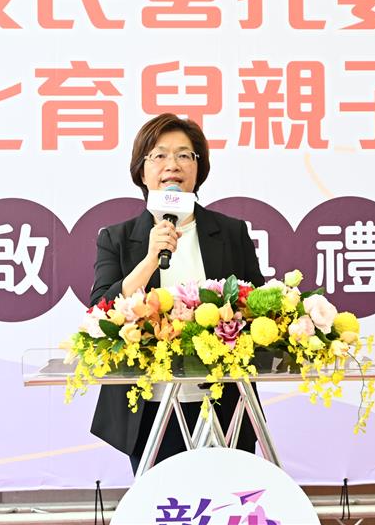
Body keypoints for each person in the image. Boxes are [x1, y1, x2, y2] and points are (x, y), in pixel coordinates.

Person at [89, 113, 265, 473]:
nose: (173, 164)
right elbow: (101, 312)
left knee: (227, 496)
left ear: (198, 169)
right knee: (162, 499)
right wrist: (150, 260)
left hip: (223, 399)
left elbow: (257, 305)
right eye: (160, 155)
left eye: (185, 155)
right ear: (142, 171)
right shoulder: (117, 238)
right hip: (150, 404)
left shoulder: (231, 232)